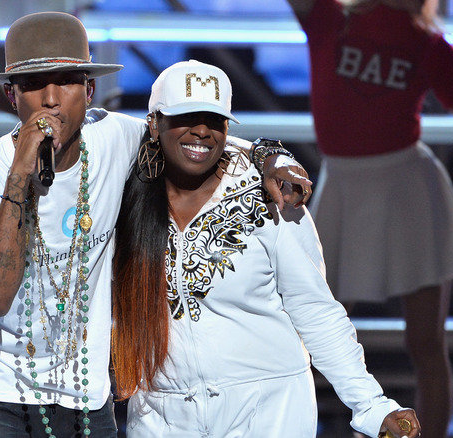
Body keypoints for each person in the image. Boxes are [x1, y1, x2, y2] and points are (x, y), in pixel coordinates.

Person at [0, 11, 312, 438]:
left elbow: (192, 139)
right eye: (32, 84)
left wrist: (272, 155)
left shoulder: (114, 138)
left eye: (65, 80)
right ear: (11, 96)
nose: (50, 99)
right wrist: (19, 175)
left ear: (90, 89)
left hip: (86, 396)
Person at [110, 59, 421, 438]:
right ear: (154, 124)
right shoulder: (123, 191)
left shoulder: (272, 195)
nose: (202, 131)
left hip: (269, 412)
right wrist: (266, 150)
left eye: (215, 119)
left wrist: (371, 404)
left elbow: (315, 310)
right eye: (186, 116)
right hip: (160, 416)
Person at [282, 0, 453, 437]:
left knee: (425, 343)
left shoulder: (427, 43)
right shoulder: (329, 19)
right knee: (305, 336)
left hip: (409, 192)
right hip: (345, 188)